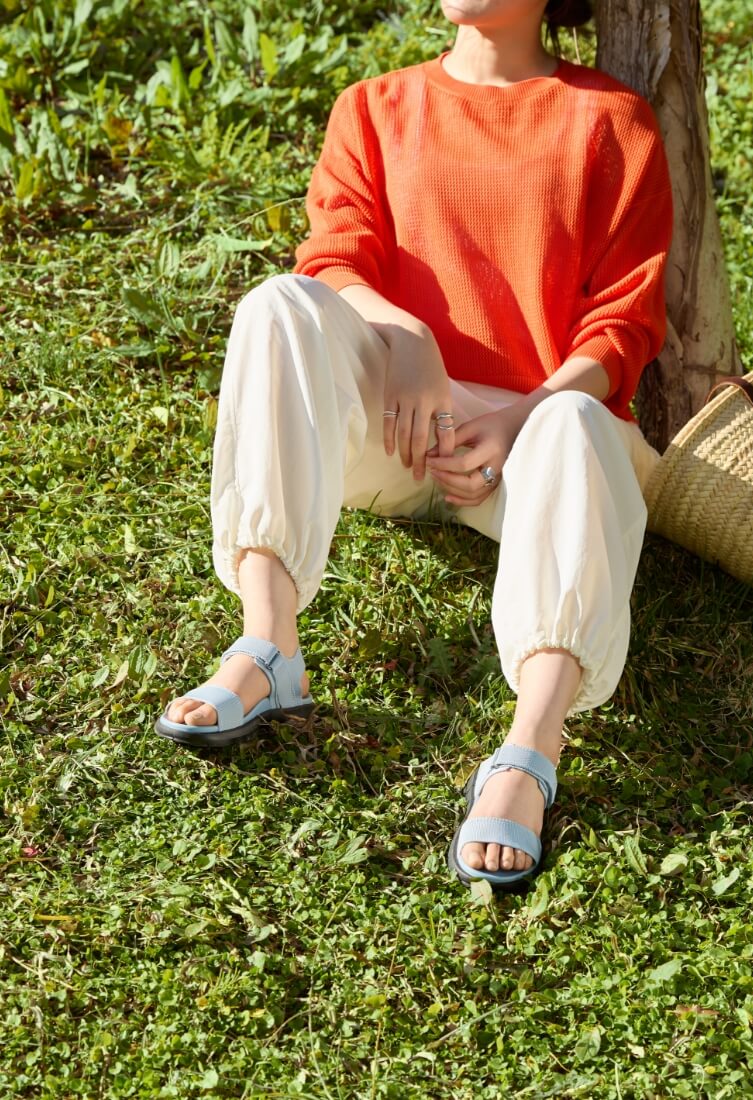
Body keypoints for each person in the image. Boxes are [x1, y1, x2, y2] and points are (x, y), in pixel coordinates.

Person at [155, 0, 673, 890]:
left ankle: (531, 745)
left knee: (578, 422)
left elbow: (623, 324)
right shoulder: (374, 106)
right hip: (400, 426)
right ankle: (269, 646)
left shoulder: (610, 120)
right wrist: (408, 336)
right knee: (278, 306)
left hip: (538, 450)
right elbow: (332, 259)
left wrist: (520, 417)